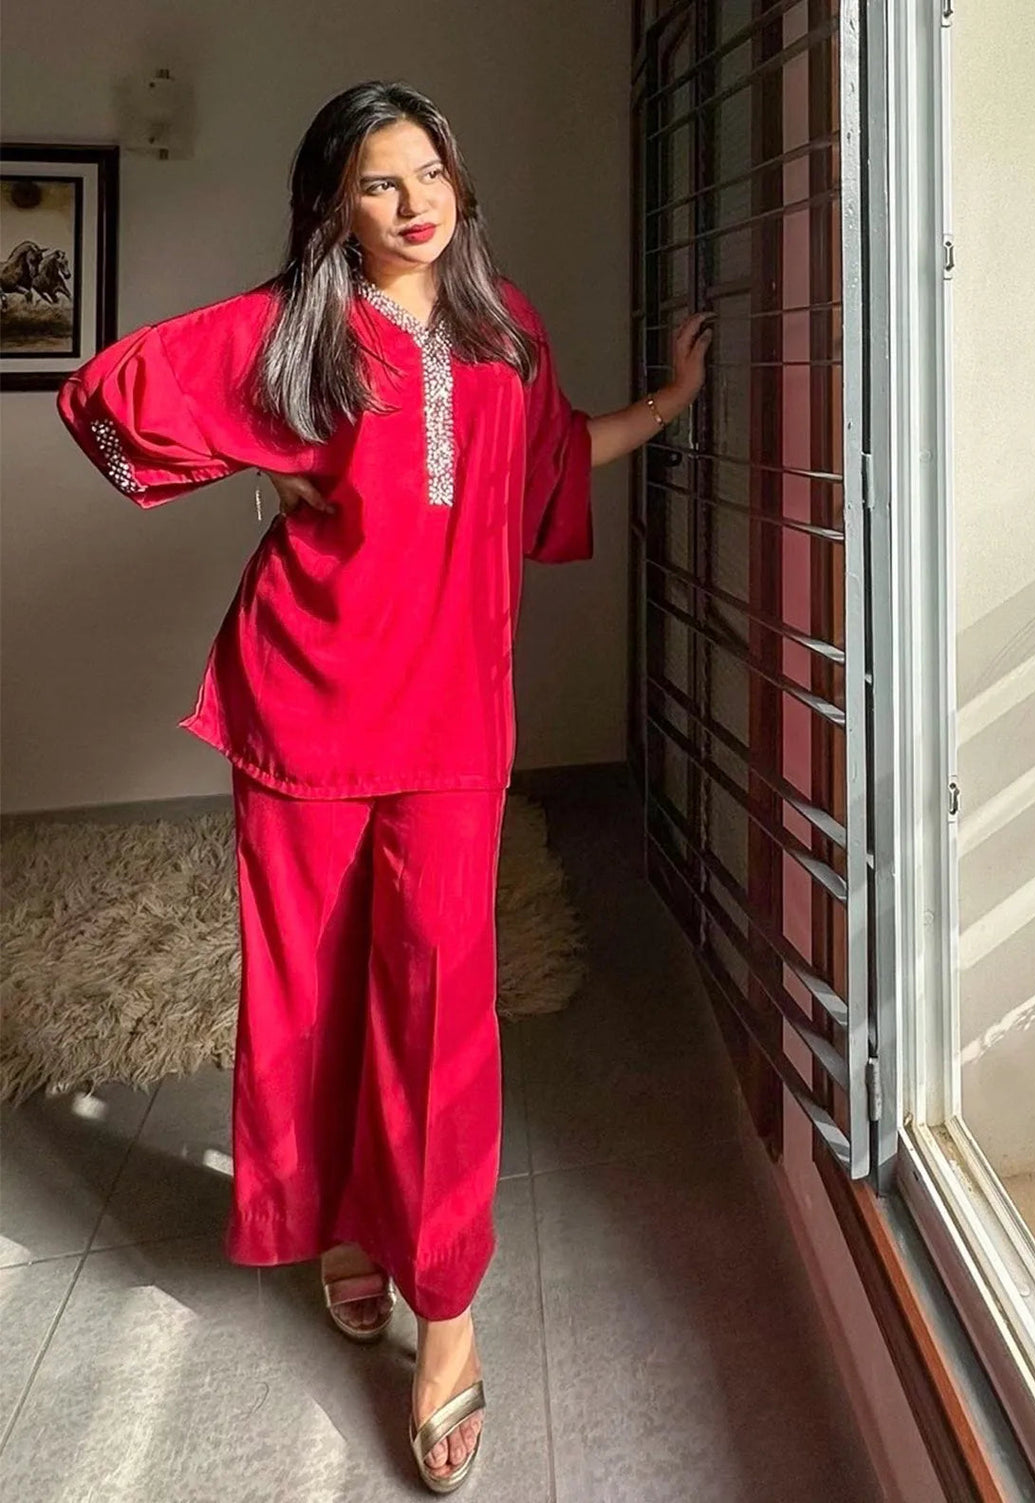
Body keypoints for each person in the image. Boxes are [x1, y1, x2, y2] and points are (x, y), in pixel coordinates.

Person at [56, 79, 711, 1494]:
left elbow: (549, 458)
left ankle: (448, 1312)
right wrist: (256, 467)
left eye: (431, 174)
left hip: (453, 729)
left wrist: (666, 405)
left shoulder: (507, 329)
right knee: (309, 991)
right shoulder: (294, 329)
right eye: (379, 182)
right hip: (301, 708)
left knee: (439, 1014)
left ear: (460, 183)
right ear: (333, 207)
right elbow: (103, 398)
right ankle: (344, 1223)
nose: (415, 204)